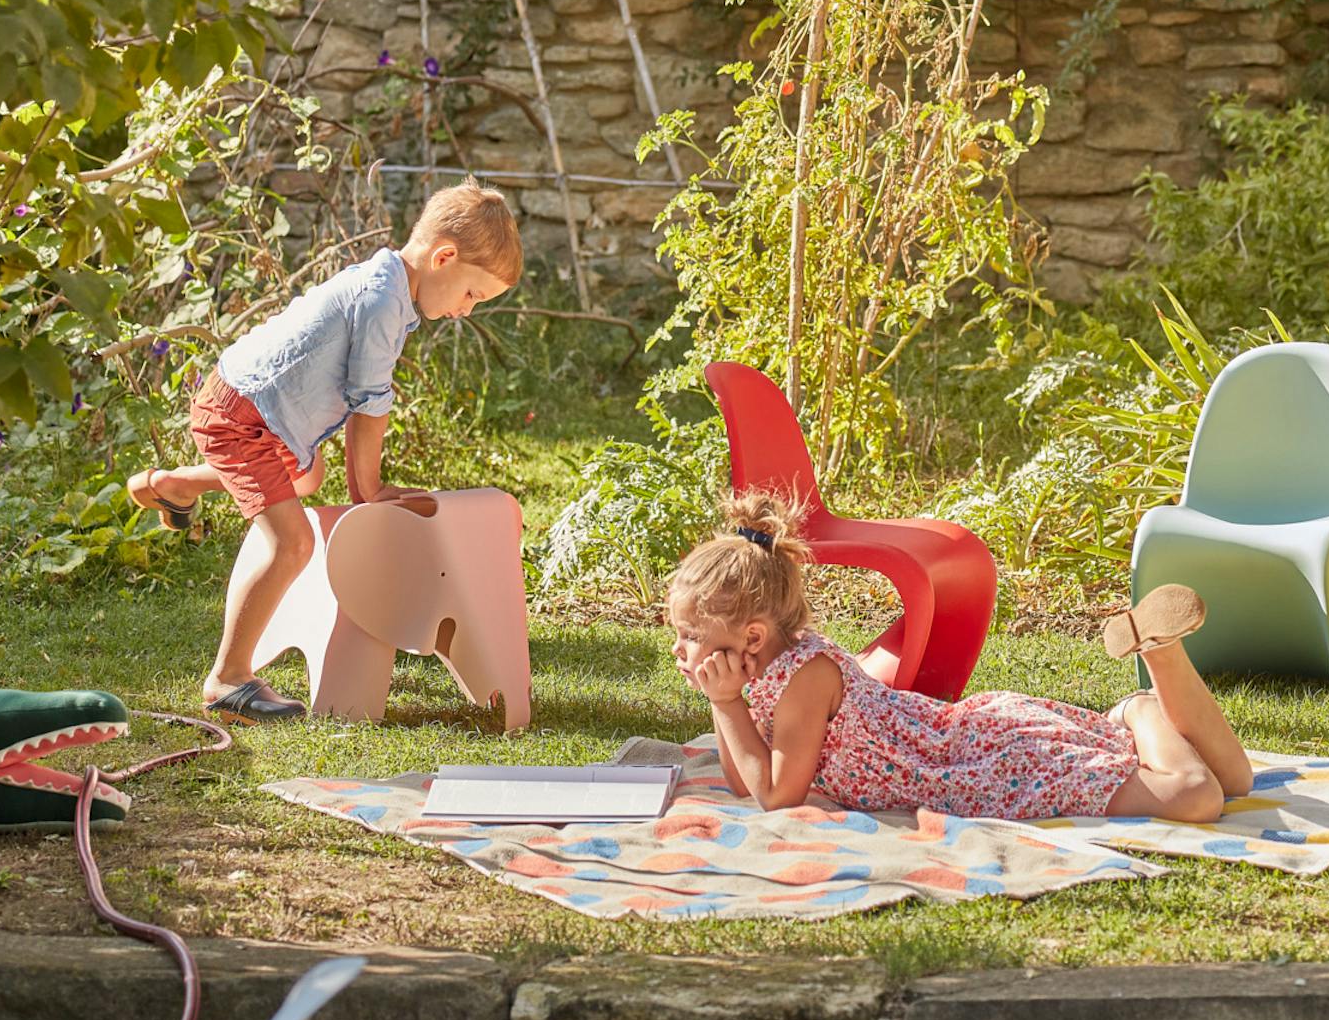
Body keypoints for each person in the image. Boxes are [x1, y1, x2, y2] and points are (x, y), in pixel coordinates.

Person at [129, 180, 522, 719]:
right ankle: (227, 678)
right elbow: (368, 403)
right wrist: (369, 489)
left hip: (264, 417)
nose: (466, 310)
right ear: (444, 256)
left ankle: (176, 486)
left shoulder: (390, 286)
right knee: (291, 544)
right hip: (243, 417)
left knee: (306, 480)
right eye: (471, 293)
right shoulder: (384, 301)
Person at [665, 495, 1252, 824]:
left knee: (1196, 798)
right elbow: (747, 784)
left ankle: (1143, 711)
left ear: (755, 636)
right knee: (1234, 781)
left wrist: (726, 702)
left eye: (691, 633)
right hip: (968, 747)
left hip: (978, 764)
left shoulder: (803, 681)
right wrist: (727, 704)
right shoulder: (766, 672)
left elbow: (775, 796)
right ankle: (1159, 665)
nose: (678, 647)